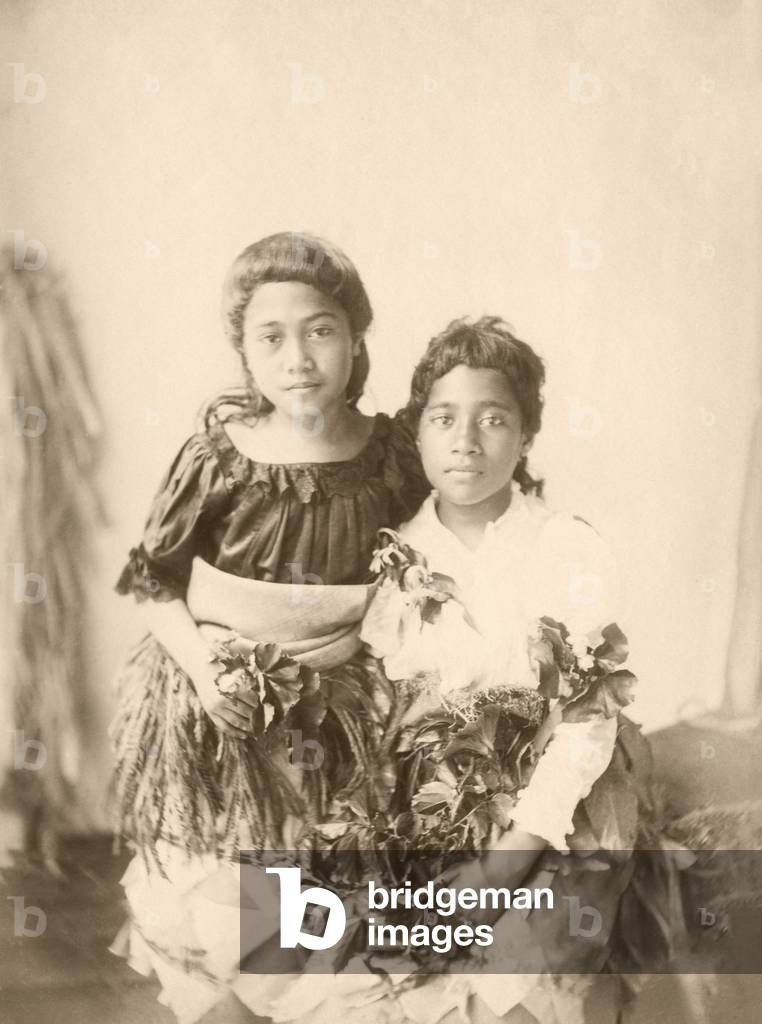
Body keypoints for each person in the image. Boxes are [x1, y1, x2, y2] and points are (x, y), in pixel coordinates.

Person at [253, 317, 681, 1024]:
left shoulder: (564, 546)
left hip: (556, 806)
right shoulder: (398, 556)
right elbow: (384, 710)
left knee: (512, 986)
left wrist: (512, 856)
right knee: (318, 963)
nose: (466, 442)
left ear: (524, 435)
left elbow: (584, 725)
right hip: (431, 800)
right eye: (444, 418)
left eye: (494, 420)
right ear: (416, 431)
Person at [108, 231, 429, 1024]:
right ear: (244, 352)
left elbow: (429, 558)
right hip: (223, 707)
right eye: (271, 337)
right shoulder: (221, 459)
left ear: (356, 339)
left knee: (310, 908)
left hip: (339, 710)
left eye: (320, 330)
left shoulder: (389, 456)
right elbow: (153, 581)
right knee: (228, 903)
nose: (298, 358)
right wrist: (204, 670)